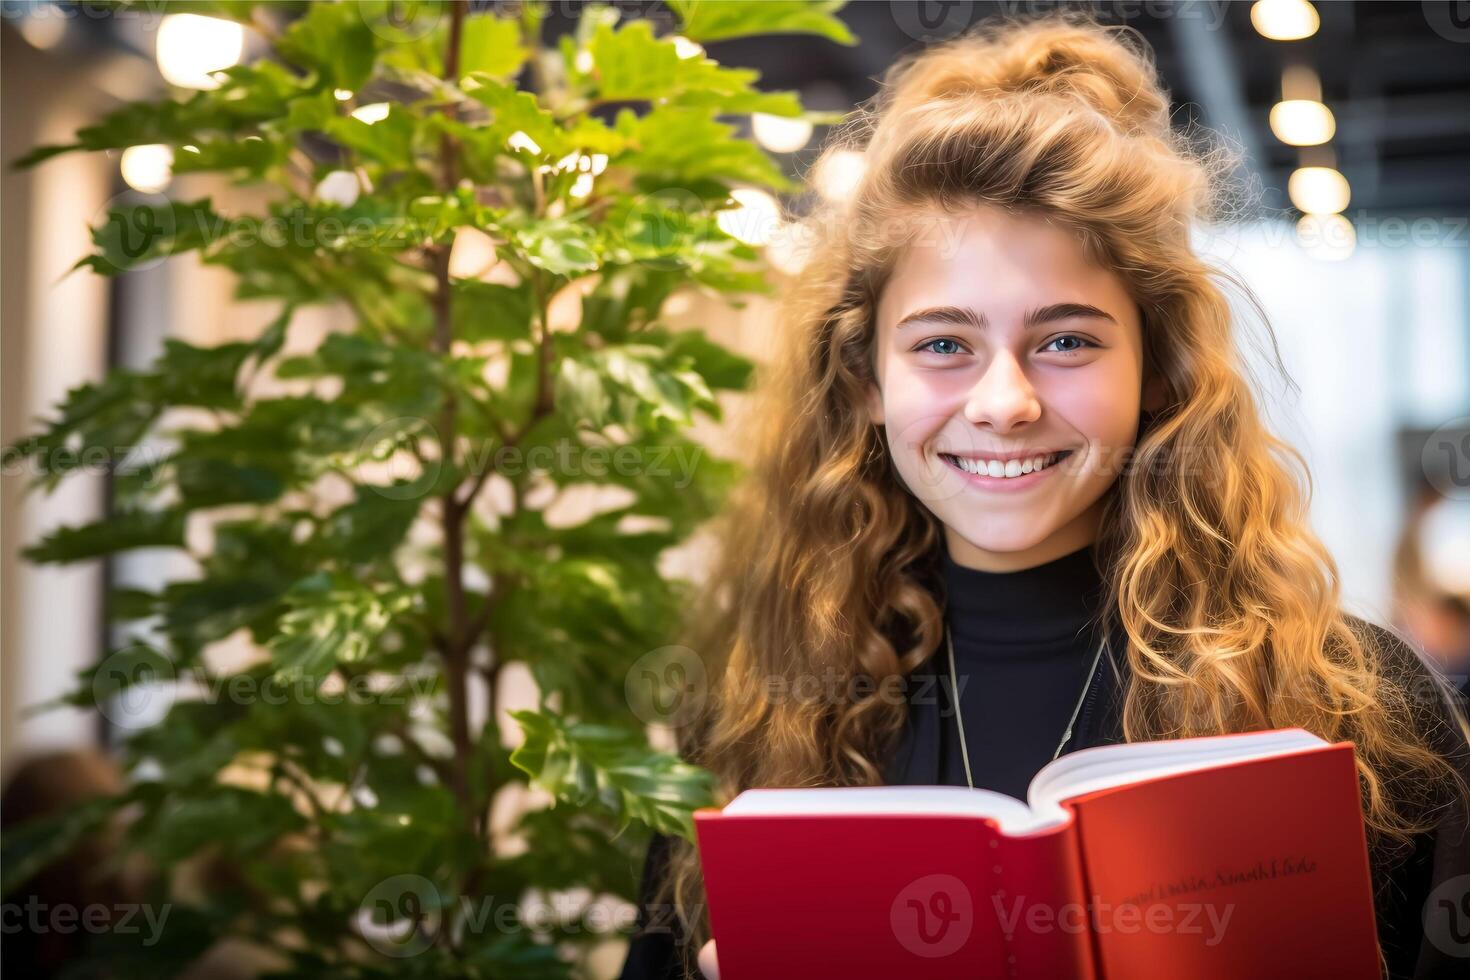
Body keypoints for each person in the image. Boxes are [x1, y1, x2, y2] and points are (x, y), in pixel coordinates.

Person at [618, 12, 1470, 980]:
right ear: (864, 380)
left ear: (1159, 368)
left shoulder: (1361, 709)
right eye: (944, 344)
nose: (1004, 403)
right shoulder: (755, 720)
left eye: (1066, 340)